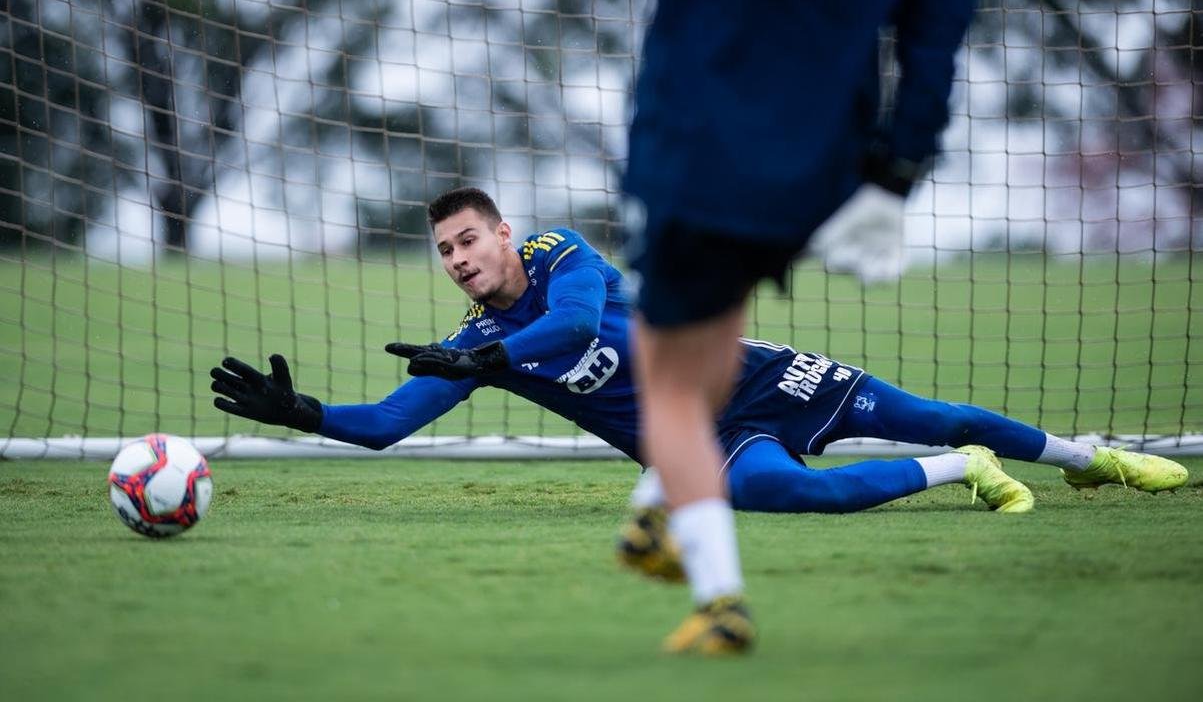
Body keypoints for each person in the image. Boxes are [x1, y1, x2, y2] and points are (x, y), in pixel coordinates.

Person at [209, 190, 1189, 633]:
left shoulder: (558, 257)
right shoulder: (471, 344)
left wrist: (492, 353)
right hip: (710, 437)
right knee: (780, 496)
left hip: (752, 374)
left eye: (470, 240)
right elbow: (385, 424)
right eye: (447, 253)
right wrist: (304, 412)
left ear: (504, 232)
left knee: (936, 407)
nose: (461, 259)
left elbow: (577, 322)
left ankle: (1089, 457)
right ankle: (962, 473)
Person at [523, 0, 984, 652]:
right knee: (717, 332)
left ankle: (718, 599)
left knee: (666, 381)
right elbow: (935, 39)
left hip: (695, 159)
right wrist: (896, 174)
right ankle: (661, 502)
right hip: (823, 173)